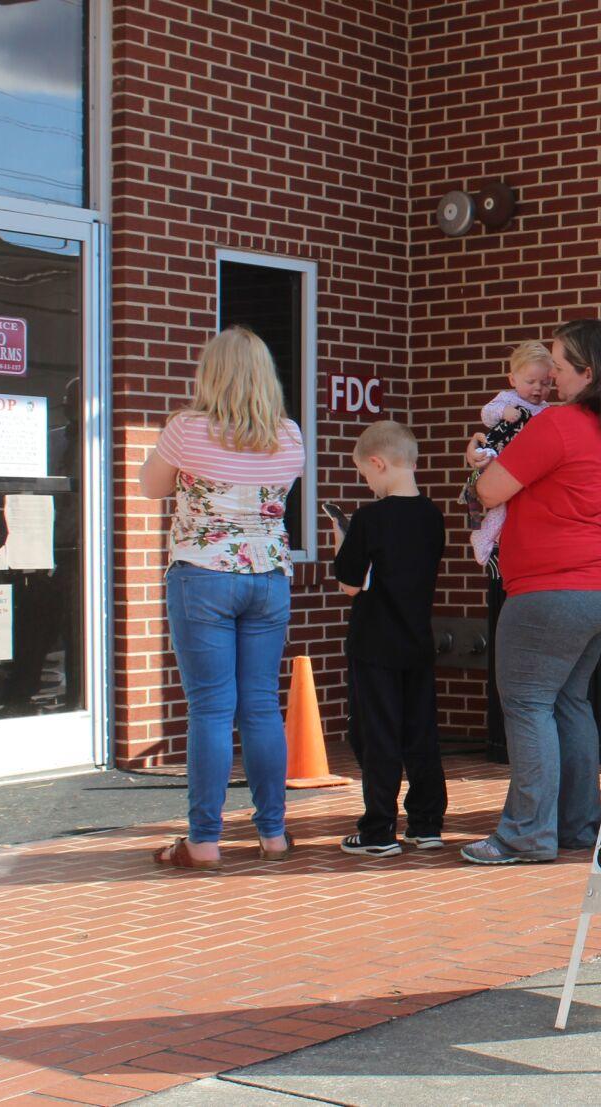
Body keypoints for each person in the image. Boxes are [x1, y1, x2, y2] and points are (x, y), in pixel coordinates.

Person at [460, 318, 601, 864]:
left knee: (527, 703)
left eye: (559, 368)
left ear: (586, 373)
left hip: (552, 589)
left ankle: (525, 835)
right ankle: (577, 826)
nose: (551, 378)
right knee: (568, 701)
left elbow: (490, 492)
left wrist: (473, 471)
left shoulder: (556, 424)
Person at [139, 327, 304, 870]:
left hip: (204, 574)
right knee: (260, 705)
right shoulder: (289, 434)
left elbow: (151, 487)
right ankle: (274, 834)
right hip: (269, 576)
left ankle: (204, 841)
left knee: (211, 708)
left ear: (210, 374)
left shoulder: (187, 429)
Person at [330, 421, 447, 857]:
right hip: (417, 641)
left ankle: (378, 829)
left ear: (377, 463)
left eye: (365, 474)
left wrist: (343, 539)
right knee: (421, 733)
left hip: (374, 644)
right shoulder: (432, 516)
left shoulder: (368, 519)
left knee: (376, 734)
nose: (367, 482)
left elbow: (350, 585)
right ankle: (427, 823)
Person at [468, 342, 555, 571]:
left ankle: (499, 539)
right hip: (500, 458)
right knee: (500, 507)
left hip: (524, 466)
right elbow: (486, 414)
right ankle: (483, 537)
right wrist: (503, 413)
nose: (538, 388)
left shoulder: (547, 409)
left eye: (546, 383)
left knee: (514, 507)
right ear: (513, 379)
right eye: (531, 382)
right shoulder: (507, 399)